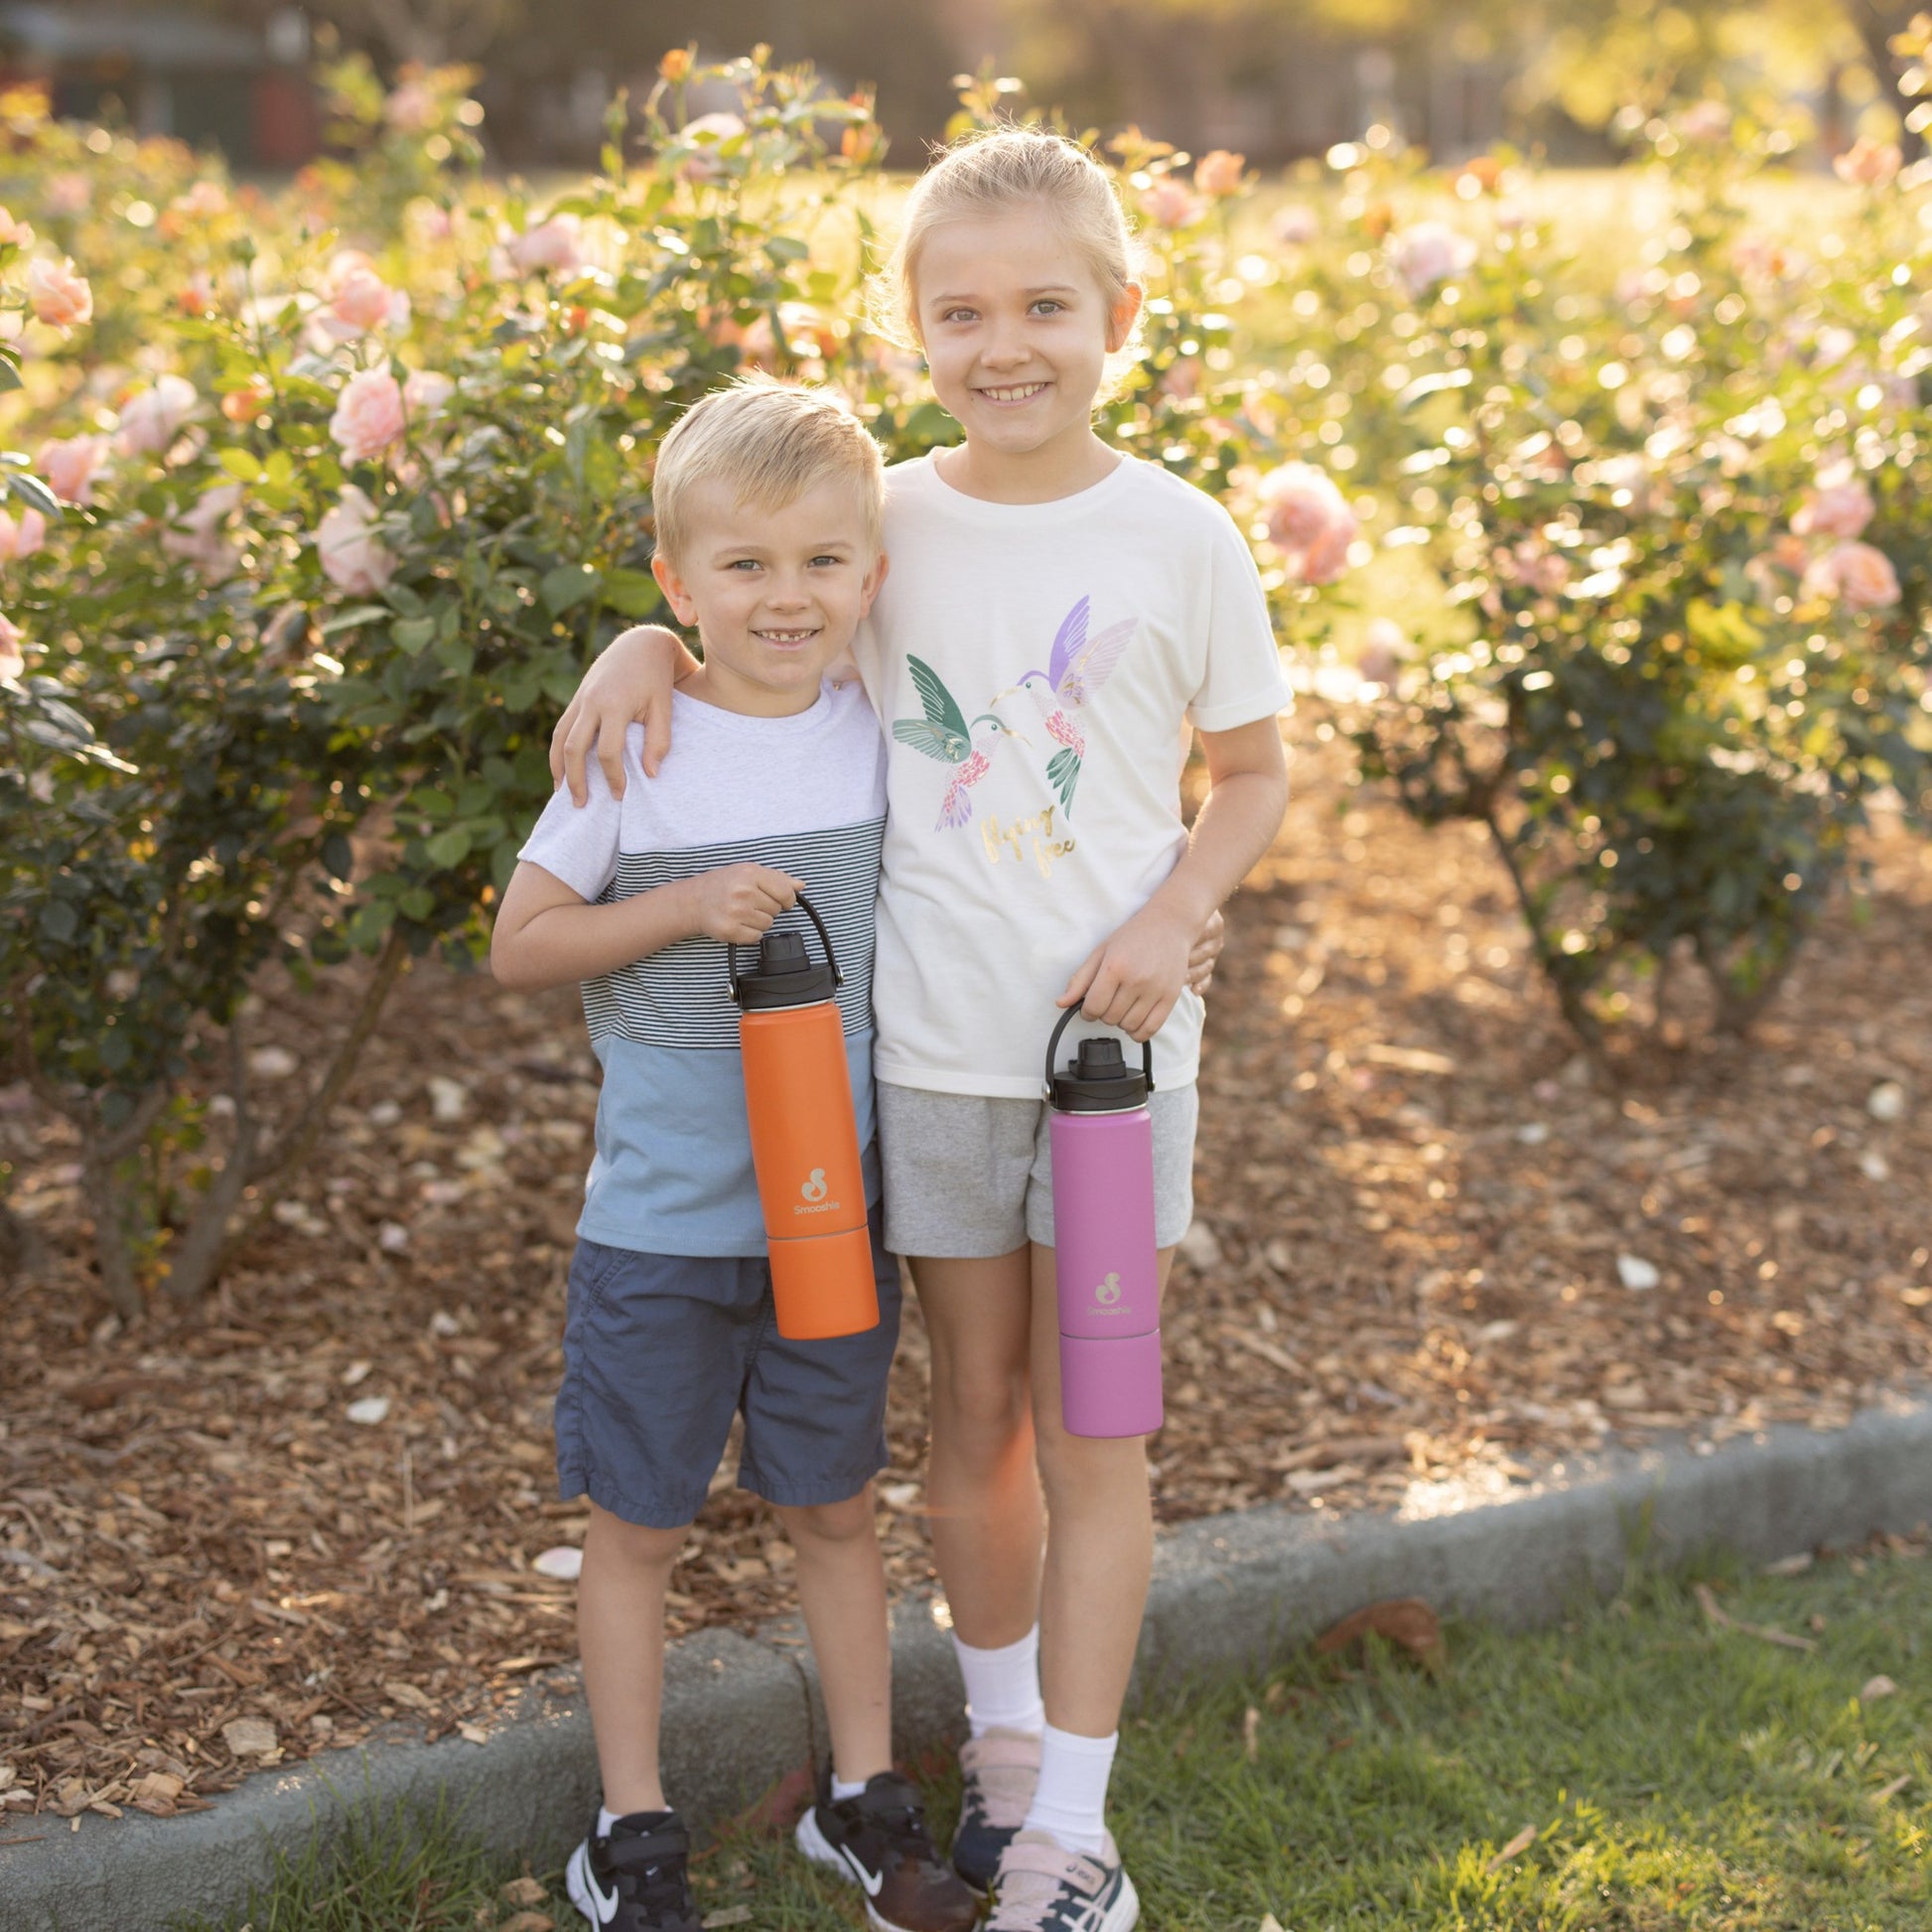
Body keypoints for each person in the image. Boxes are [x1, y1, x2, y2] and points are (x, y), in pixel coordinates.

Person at [552, 126, 1291, 1932]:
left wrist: (1178, 911)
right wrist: (634, 650)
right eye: (960, 310)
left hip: (1115, 1071)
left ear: (1121, 309)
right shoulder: (889, 526)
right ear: (913, 329)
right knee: (969, 1417)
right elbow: (757, 625)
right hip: (934, 1064)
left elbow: (1254, 775)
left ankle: (1075, 1832)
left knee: (1094, 1429)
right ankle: (1010, 1750)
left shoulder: (1179, 533)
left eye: (1044, 302)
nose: (1004, 342)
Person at [492, 379, 979, 1932]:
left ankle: (860, 1795)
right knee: (637, 1522)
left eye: (823, 563)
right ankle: (628, 1827)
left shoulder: (877, 732)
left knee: (834, 1505)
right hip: (661, 1228)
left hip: (829, 1223)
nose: (788, 597)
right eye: (745, 566)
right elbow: (522, 943)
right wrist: (681, 907)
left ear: (869, 577)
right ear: (677, 583)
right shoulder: (635, 744)